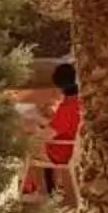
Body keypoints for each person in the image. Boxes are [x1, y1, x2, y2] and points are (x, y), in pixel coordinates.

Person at [37, 61, 81, 197]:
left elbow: (46, 135)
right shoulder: (81, 103)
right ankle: (57, 187)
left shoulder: (66, 109)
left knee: (29, 147)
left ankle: (44, 192)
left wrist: (36, 128)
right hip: (76, 148)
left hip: (64, 153)